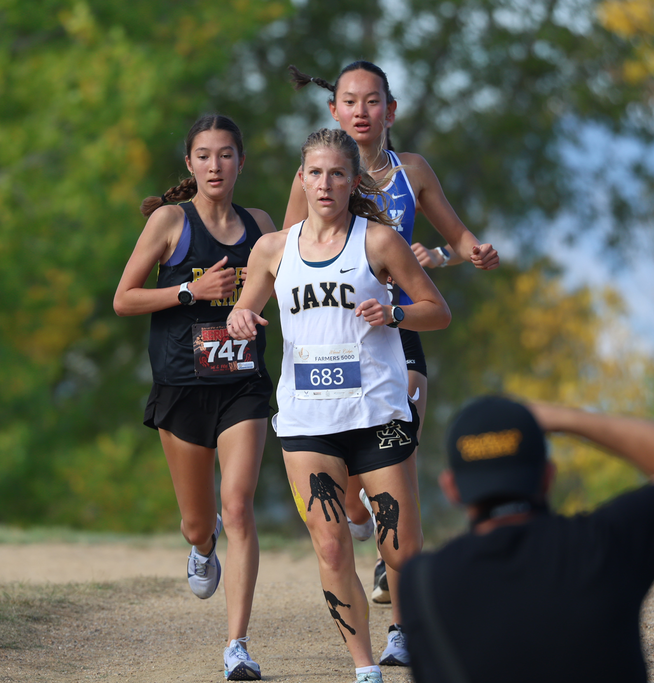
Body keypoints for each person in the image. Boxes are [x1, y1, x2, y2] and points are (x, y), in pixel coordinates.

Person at [284, 60, 499, 664]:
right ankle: (364, 524)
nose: (360, 111)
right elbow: (288, 256)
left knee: (397, 461)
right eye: (349, 100)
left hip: (399, 333)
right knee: (351, 498)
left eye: (372, 101)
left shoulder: (413, 172)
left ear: (390, 111)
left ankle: (401, 618)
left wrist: (463, 255)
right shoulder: (314, 176)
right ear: (334, 110)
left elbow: (457, 241)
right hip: (334, 343)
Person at [228, 128, 451, 683]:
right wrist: (238, 319)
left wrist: (394, 315)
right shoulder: (273, 249)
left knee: (401, 549)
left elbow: (436, 310)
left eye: (336, 174)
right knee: (330, 549)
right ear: (300, 179)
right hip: (307, 420)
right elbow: (244, 312)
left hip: (377, 415)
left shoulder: (378, 242)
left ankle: (418, 628)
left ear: (354, 182)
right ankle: (365, 668)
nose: (324, 184)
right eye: (315, 173)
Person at [398, 395, 654, 683]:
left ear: (451, 488)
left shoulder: (422, 583)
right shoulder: (604, 545)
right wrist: (563, 418)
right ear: (548, 476)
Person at [113, 114, 277, 681]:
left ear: (241, 162)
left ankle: (237, 646)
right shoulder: (169, 222)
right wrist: (190, 290)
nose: (215, 165)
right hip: (182, 386)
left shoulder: (261, 226)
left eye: (226, 155)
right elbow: (124, 299)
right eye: (204, 156)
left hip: (243, 385)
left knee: (238, 505)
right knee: (198, 522)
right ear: (190, 163)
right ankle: (201, 547)